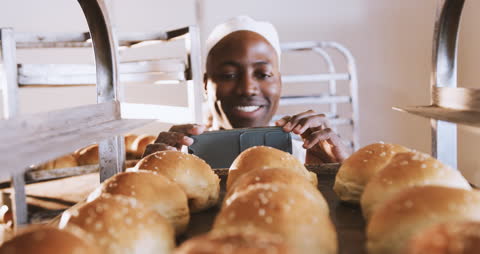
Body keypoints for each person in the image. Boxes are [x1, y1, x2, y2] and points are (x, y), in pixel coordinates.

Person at [146, 16, 350, 164]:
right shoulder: (178, 160)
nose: (247, 89)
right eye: (229, 75)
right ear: (206, 85)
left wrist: (332, 174)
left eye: (263, 74)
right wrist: (151, 178)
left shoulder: (307, 158)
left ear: (279, 82)